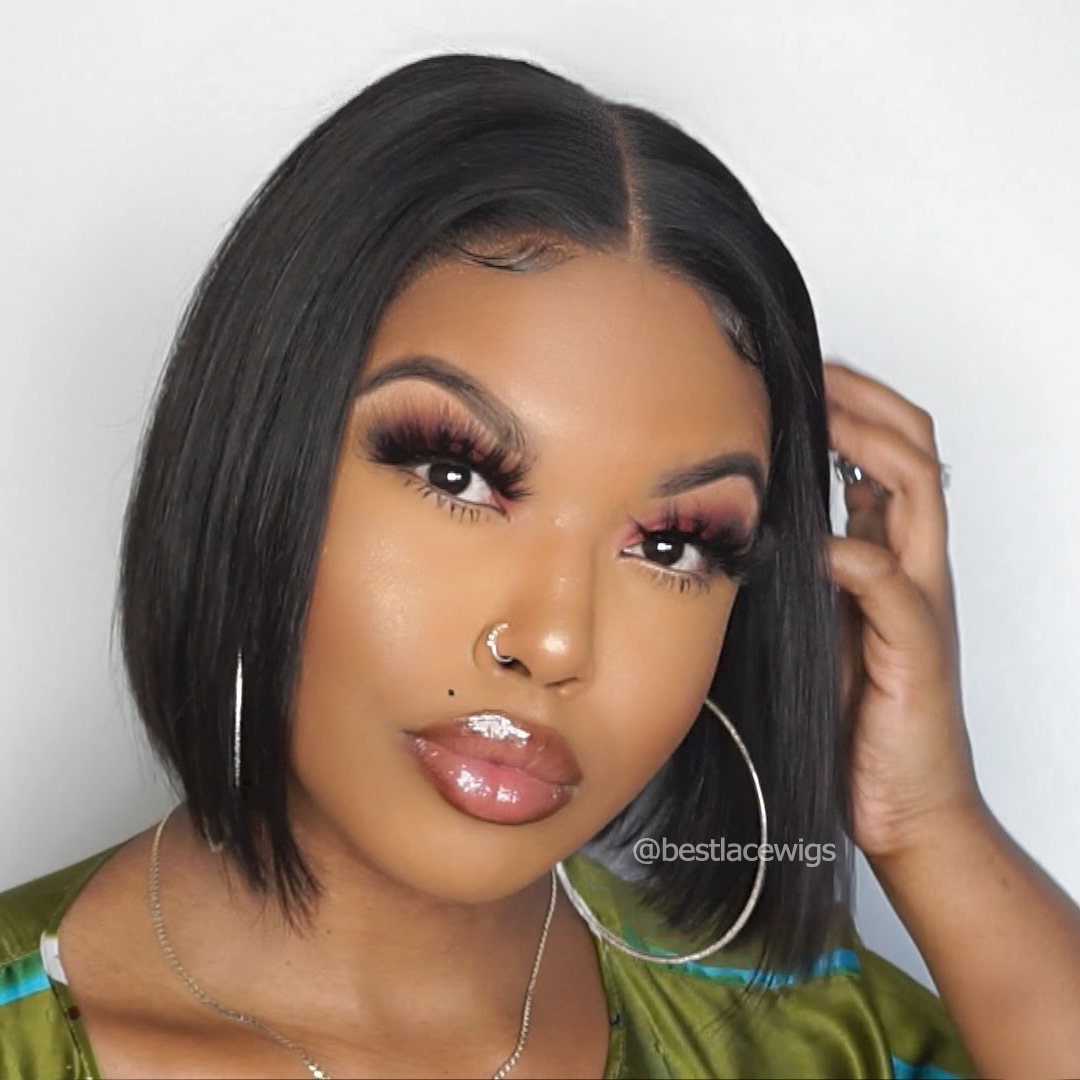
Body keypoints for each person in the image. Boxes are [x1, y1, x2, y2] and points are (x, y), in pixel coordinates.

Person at [1, 51, 1078, 1080]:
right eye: (456, 476)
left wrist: (931, 826)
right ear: (255, 456)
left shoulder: (810, 1041)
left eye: (673, 546)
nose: (557, 640)